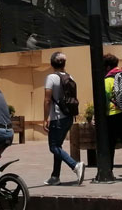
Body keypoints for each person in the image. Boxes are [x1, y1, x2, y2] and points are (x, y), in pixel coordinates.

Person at [43, 51, 85, 186]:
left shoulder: (51, 78)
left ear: (51, 64)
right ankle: (55, 177)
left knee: (53, 146)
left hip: (57, 118)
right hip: (68, 116)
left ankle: (75, 165)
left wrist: (45, 118)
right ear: (64, 63)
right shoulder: (70, 77)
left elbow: (47, 100)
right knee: (58, 146)